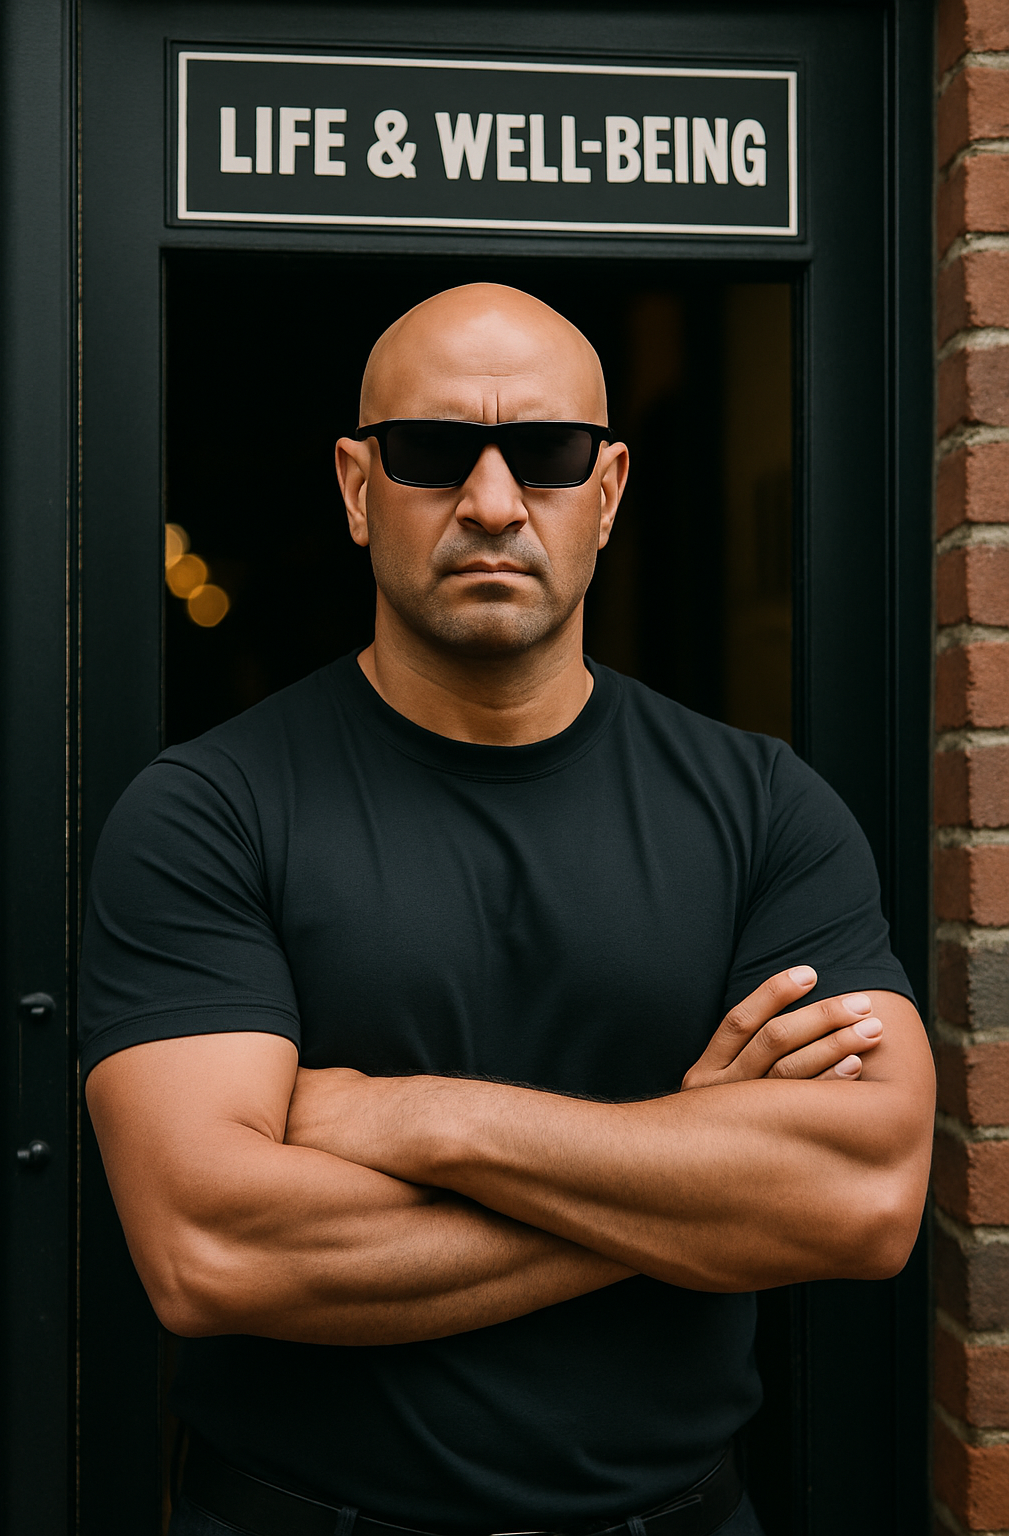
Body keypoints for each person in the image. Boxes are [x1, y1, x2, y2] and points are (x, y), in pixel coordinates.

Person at [80, 283, 935, 1536]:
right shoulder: (210, 809)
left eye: (545, 454)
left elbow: (860, 1202)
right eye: (432, 453)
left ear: (611, 486)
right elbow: (214, 1250)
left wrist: (407, 1116)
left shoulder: (763, 807)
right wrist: (696, 1171)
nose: (491, 501)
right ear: (358, 485)